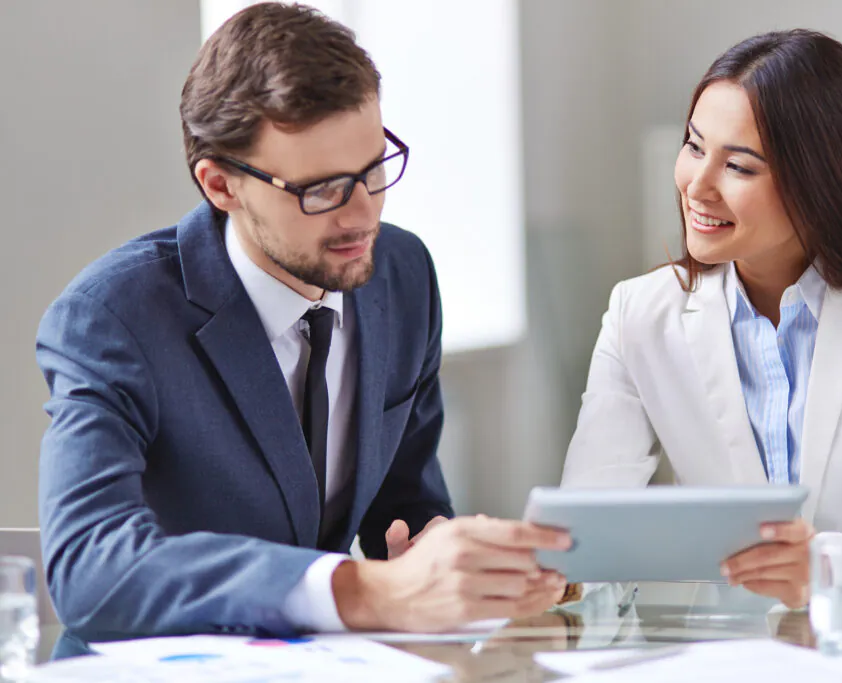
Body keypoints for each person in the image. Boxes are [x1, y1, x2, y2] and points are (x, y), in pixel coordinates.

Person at [36, 1, 568, 647]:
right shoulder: (112, 317)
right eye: (321, 190)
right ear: (221, 185)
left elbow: (404, 510)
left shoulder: (402, 274)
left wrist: (467, 564)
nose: (361, 215)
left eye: (374, 169)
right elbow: (89, 567)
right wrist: (356, 588)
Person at [560, 29, 842, 608]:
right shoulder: (638, 314)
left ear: (820, 182)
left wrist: (826, 566)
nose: (697, 185)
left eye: (738, 167)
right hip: (726, 658)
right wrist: (556, 574)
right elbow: (587, 533)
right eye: (694, 147)